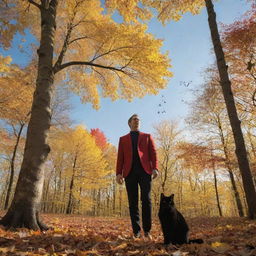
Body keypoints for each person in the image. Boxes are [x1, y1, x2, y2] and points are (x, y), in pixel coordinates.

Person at [116, 114, 159, 239]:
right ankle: (136, 232)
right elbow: (120, 157)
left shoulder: (147, 136)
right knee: (132, 202)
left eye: (139, 119)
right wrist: (119, 173)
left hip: (145, 172)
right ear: (129, 123)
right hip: (129, 173)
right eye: (135, 119)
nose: (137, 121)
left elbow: (153, 153)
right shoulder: (123, 139)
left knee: (146, 200)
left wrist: (155, 168)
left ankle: (147, 230)